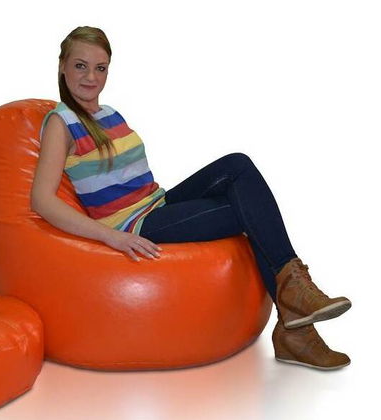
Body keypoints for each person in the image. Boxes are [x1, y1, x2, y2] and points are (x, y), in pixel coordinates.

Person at [31, 25, 352, 371]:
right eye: (80, 66)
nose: (91, 77)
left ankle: (294, 302)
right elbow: (42, 201)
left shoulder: (109, 114)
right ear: (62, 66)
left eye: (100, 68)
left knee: (238, 165)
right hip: (134, 224)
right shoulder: (61, 123)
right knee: (250, 212)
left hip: (156, 203)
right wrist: (112, 237)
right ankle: (296, 318)